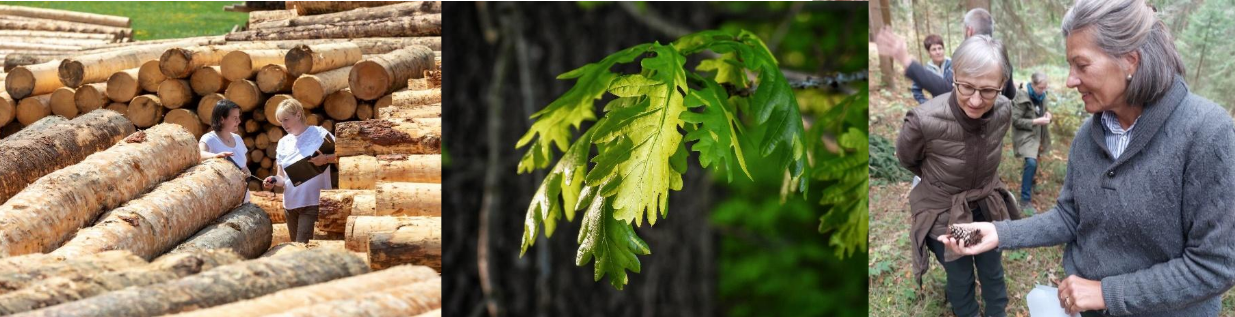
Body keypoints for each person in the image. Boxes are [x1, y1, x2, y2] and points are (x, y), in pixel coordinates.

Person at [943, 1, 1235, 316]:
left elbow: (1213, 266)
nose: (1070, 80)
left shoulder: (1207, 132)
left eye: (1081, 65)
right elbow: (1070, 217)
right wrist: (999, 232)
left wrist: (1107, 293)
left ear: (1130, 61)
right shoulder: (1088, 137)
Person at [897, 35, 1017, 317]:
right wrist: (942, 185)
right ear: (954, 77)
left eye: (988, 90)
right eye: (966, 87)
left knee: (991, 268)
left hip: (986, 207)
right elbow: (907, 158)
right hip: (946, 213)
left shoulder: (1003, 110)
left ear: (1002, 85)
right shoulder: (924, 121)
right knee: (961, 276)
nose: (976, 100)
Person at [877, 8, 1016, 101]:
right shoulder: (1003, 57)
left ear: (969, 30)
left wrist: (906, 60)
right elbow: (1010, 94)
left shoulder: (967, 55)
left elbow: (947, 90)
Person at [263, 98, 337, 243]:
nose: (283, 125)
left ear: (298, 115)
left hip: (313, 203)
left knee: (303, 248)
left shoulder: (319, 133)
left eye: (286, 119)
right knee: (298, 251)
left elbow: (343, 155)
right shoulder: (283, 142)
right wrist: (273, 180)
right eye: (280, 121)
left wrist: (326, 159)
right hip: (290, 205)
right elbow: (282, 177)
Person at [1010, 73, 1052, 214]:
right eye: (1040, 87)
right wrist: (1036, 121)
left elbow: (1045, 110)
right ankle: (1024, 200)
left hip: (1039, 133)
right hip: (1025, 135)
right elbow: (1015, 120)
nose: (1043, 90)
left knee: (1034, 160)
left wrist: (1048, 116)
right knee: (1031, 162)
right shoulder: (1022, 96)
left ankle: (1031, 182)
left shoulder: (1042, 96)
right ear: (1033, 85)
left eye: (1045, 88)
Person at [199, 99, 250, 203]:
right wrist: (215, 156)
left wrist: (247, 171)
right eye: (235, 118)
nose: (239, 121)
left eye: (238, 118)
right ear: (222, 119)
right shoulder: (209, 138)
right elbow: (199, 154)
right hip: (222, 201)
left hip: (243, 197)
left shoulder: (238, 139)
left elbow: (244, 166)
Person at [912, 34, 952, 104]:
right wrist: (927, 103)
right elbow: (916, 90)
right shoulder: (925, 71)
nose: (938, 52)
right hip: (939, 108)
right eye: (934, 49)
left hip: (958, 106)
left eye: (940, 48)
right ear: (929, 53)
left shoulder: (954, 65)